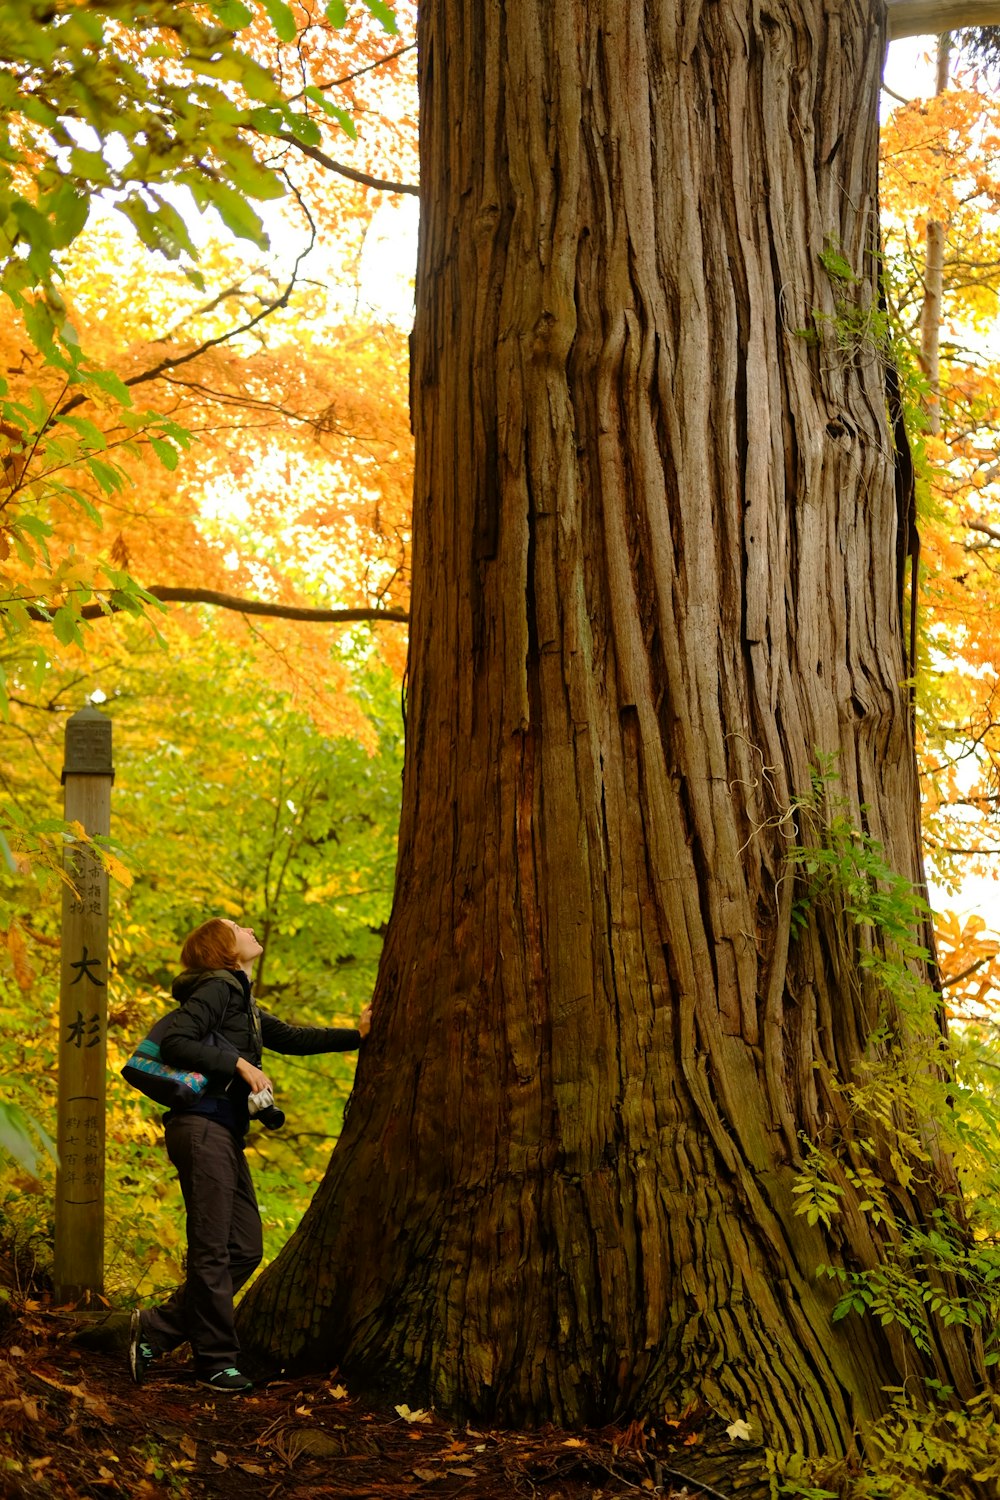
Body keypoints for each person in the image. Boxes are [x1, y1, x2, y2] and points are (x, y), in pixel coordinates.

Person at [128, 916, 371, 1395]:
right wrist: (238, 1063)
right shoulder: (219, 985)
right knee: (215, 1248)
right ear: (224, 947)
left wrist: (358, 1036)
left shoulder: (241, 1000)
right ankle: (216, 1362)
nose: (248, 929)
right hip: (200, 1126)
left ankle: (157, 1330)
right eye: (236, 926)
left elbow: (293, 1038)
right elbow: (176, 1040)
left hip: (221, 1131)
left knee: (245, 1248)